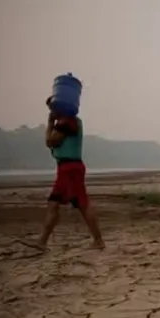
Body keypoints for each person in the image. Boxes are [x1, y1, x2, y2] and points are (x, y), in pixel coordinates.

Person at [36, 96, 105, 250]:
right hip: (67, 168)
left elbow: (50, 141)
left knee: (78, 204)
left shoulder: (69, 122)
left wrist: (49, 123)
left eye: (53, 108)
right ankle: (42, 242)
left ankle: (98, 241)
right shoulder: (66, 122)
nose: (51, 111)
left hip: (70, 169)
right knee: (62, 203)